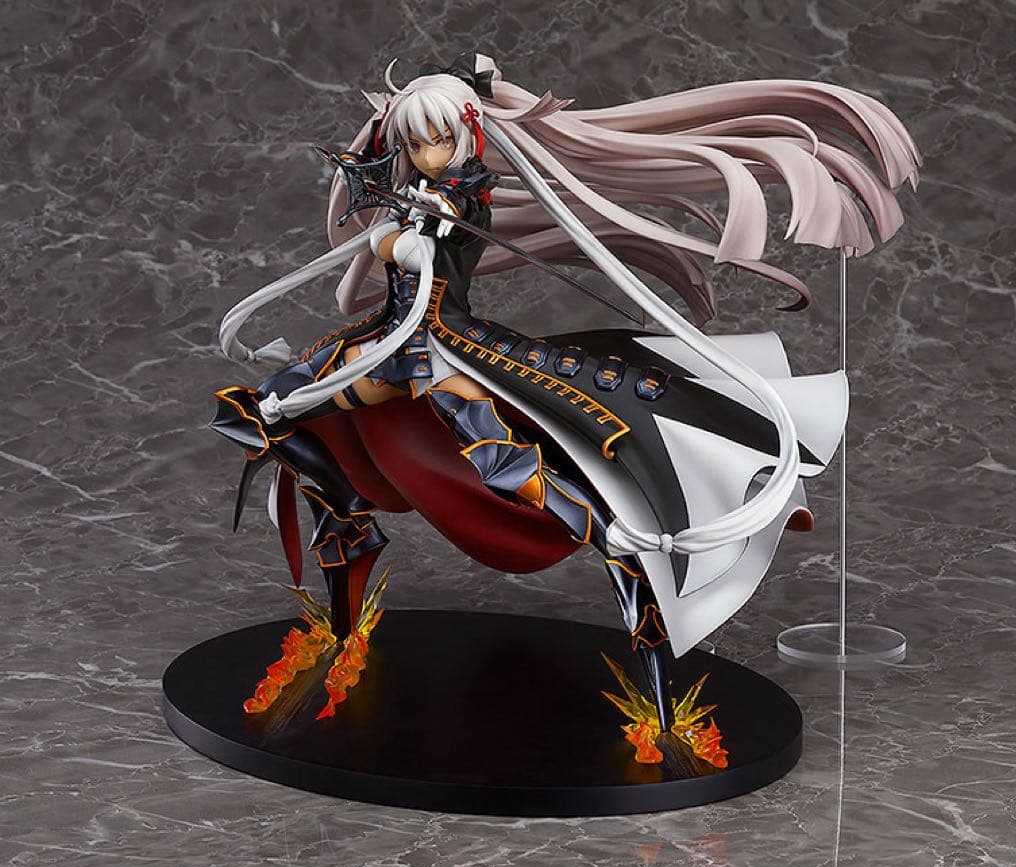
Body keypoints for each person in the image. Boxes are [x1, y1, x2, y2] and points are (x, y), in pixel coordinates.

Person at [211, 51, 921, 744]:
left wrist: (414, 233)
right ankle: (349, 529)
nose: (427, 155)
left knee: (506, 466)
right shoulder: (413, 192)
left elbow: (435, 237)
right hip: (384, 349)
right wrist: (394, 222)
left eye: (438, 140)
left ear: (466, 136)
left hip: (445, 354)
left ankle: (613, 538)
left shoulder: (464, 194)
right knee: (255, 412)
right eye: (415, 143)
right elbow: (388, 244)